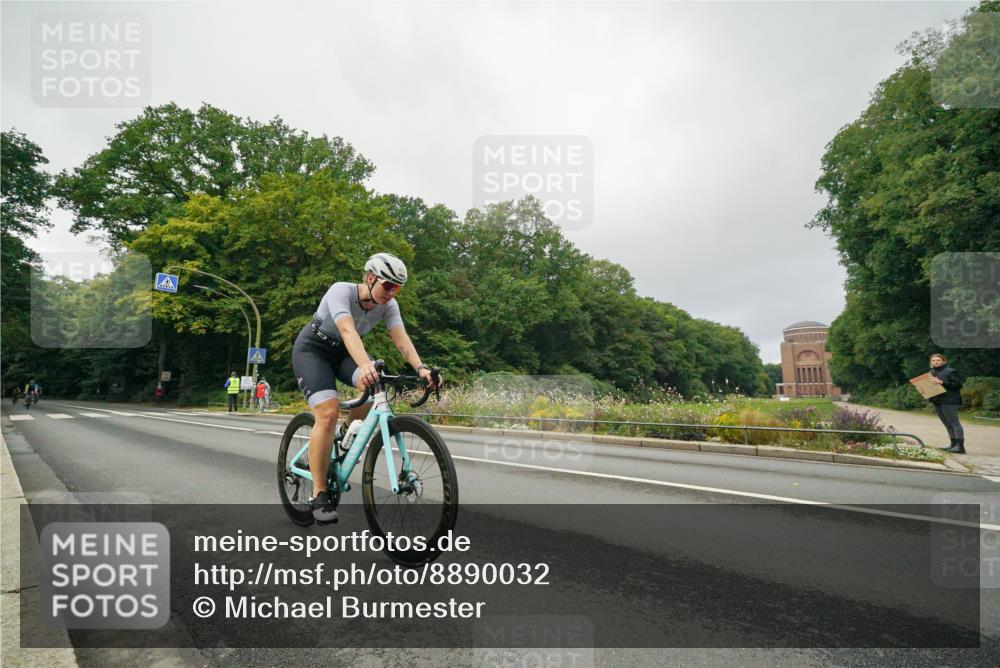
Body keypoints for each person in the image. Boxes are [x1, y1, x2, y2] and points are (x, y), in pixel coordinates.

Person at [292, 252, 441, 524]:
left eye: (397, 288)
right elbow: (347, 331)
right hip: (313, 351)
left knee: (375, 389)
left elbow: (400, 338)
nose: (392, 293)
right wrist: (365, 365)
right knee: (328, 413)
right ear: (371, 278)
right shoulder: (341, 291)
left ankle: (346, 434)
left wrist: (421, 368)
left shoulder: (389, 305)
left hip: (344, 354)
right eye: (388, 285)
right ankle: (318, 492)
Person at [929, 353, 965, 454]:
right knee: (946, 423)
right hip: (937, 400)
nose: (936, 362)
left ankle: (960, 447)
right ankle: (953, 445)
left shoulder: (950, 371)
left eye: (938, 360)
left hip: (949, 400)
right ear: (931, 362)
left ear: (943, 361)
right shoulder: (931, 372)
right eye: (933, 360)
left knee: (954, 423)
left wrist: (942, 382)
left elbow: (958, 385)